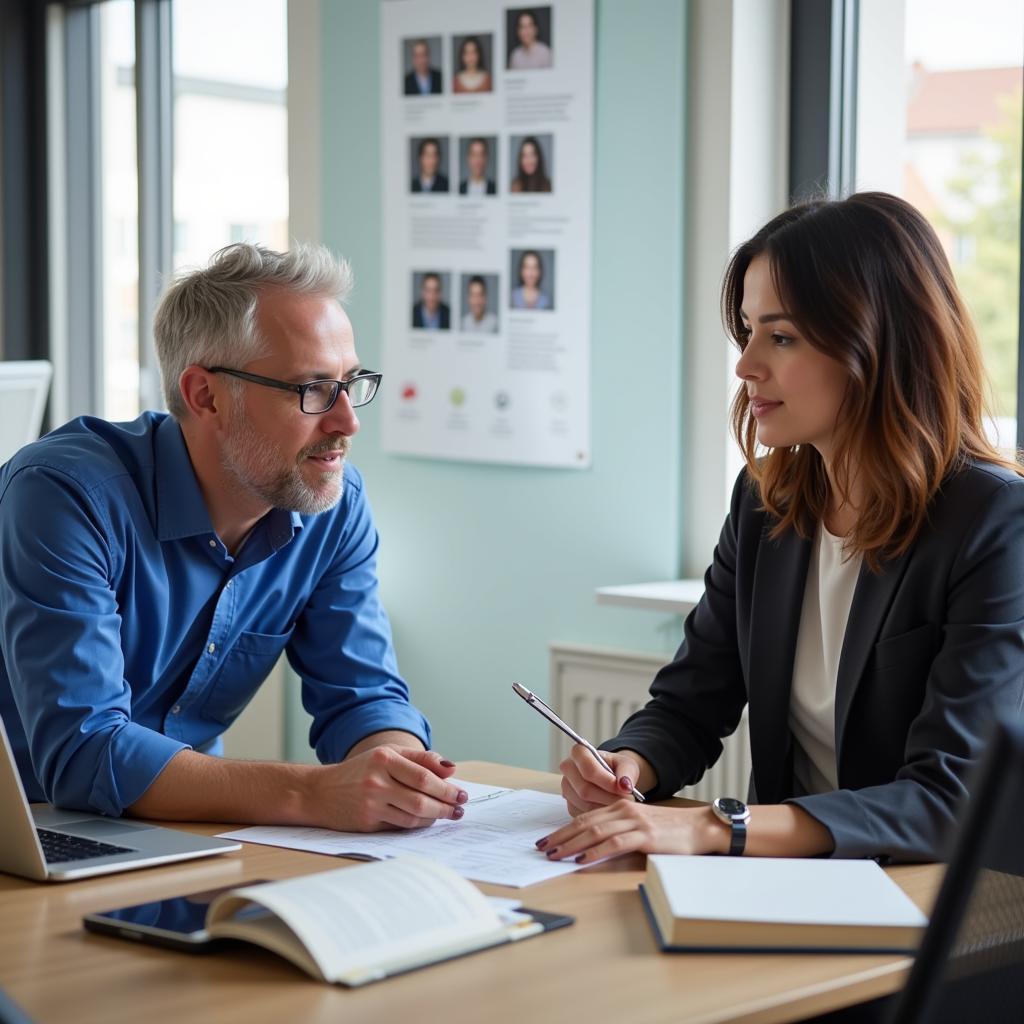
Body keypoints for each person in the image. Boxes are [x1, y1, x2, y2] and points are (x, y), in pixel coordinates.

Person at [539, 192, 1024, 866]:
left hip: (934, 900)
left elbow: (946, 800)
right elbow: (690, 703)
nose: (745, 364)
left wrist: (718, 828)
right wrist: (629, 762)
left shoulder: (995, 521)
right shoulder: (764, 503)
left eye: (782, 335)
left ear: (877, 343)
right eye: (747, 330)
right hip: (791, 886)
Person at [0, 243, 469, 831]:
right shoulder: (64, 494)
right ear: (206, 395)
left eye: (352, 383)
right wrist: (313, 793)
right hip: (33, 830)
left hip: (191, 828)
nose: (348, 421)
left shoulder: (334, 504)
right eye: (313, 389)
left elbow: (361, 696)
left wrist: (398, 768)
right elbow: (84, 753)